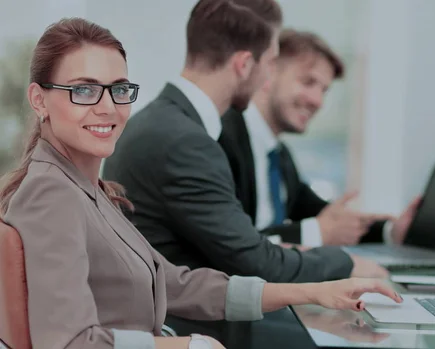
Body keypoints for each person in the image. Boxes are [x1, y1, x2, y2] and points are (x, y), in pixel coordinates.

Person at [0, 18, 403, 349]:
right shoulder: (52, 195)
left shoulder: (87, 187)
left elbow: (173, 283)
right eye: (83, 90)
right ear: (39, 100)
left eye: (119, 89)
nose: (108, 107)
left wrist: (312, 291)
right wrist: (187, 346)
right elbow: (69, 343)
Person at [102, 0, 388, 281]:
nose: (268, 74)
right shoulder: (186, 142)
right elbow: (256, 262)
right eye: (270, 62)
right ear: (245, 64)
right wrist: (345, 263)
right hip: (183, 320)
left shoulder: (165, 123)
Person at [219, 29, 422, 248]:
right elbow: (231, 241)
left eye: (324, 90)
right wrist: (317, 232)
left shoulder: (279, 157)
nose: (318, 101)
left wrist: (390, 230)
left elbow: (324, 216)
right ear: (268, 74)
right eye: (308, 82)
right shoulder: (221, 137)